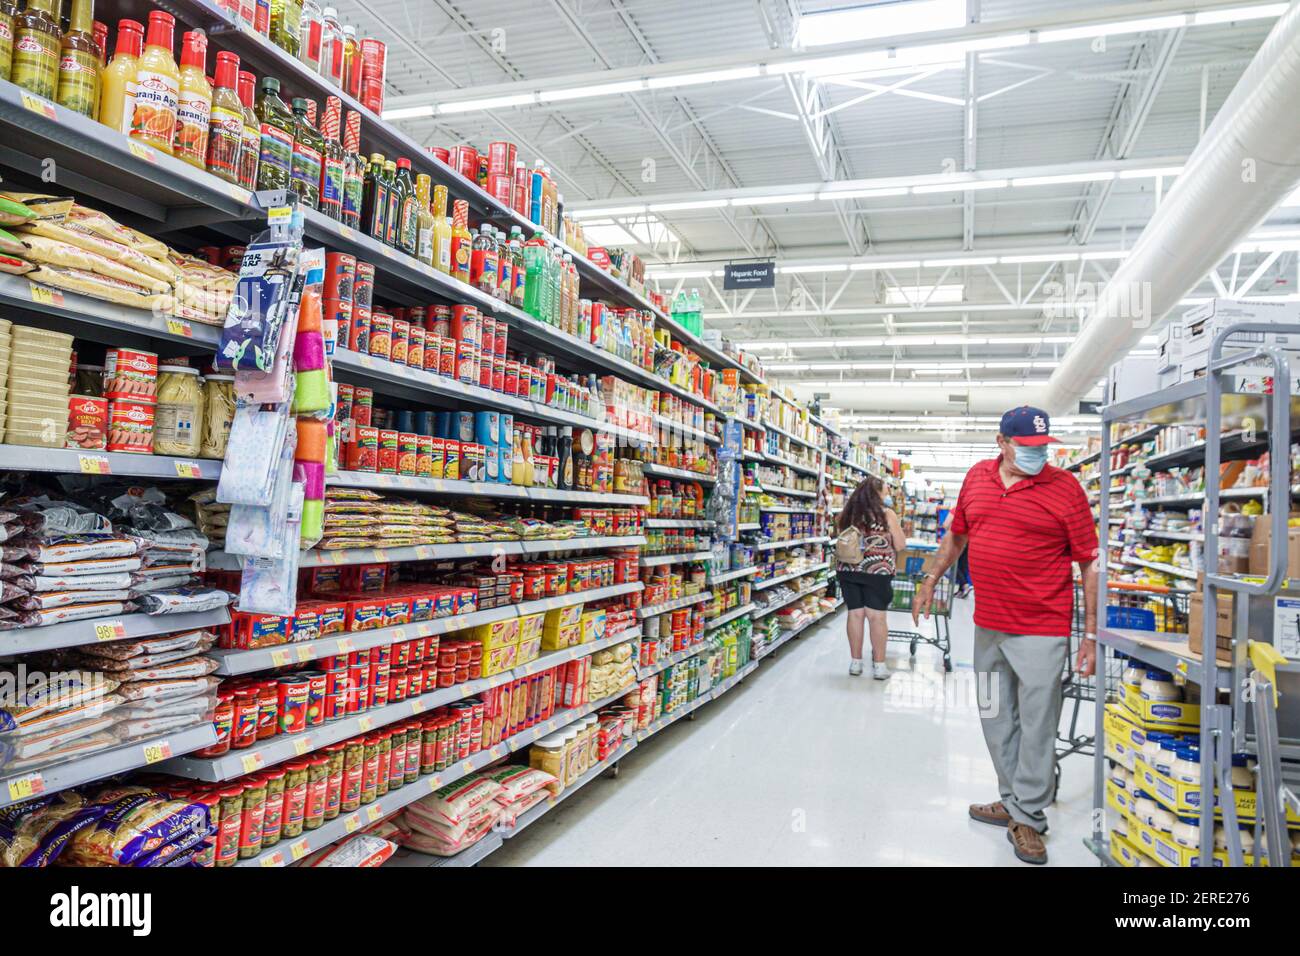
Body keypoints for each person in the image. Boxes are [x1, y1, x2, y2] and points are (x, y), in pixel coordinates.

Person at [912, 406, 1097, 865]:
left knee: (1037, 724)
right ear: (1001, 442)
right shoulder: (976, 477)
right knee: (995, 715)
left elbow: (1090, 561)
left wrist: (1090, 634)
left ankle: (1029, 819)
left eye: (1042, 448)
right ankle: (1014, 800)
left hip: (1041, 629)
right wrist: (931, 579)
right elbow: (957, 536)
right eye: (1026, 447)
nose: (1036, 455)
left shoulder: (1066, 488)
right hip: (988, 626)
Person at [835, 476, 906, 679]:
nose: (888, 496)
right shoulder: (886, 514)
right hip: (877, 570)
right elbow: (900, 545)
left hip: (848, 568)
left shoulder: (848, 514)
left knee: (855, 614)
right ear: (876, 494)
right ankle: (879, 666)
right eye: (885, 491)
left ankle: (856, 663)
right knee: (877, 617)